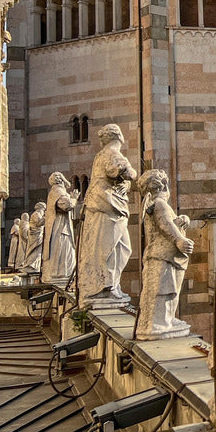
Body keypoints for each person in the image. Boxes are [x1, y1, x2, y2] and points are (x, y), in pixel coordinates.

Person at [133, 169, 194, 340]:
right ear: (164, 185)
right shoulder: (160, 204)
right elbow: (165, 224)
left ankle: (164, 320)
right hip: (164, 255)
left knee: (166, 289)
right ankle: (157, 325)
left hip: (162, 255)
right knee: (163, 289)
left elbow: (170, 222)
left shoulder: (154, 204)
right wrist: (179, 240)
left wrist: (183, 220)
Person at [79, 124, 137, 304]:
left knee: (118, 248)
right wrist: (132, 174)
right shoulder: (113, 153)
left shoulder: (101, 154)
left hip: (105, 205)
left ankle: (109, 285)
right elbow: (123, 172)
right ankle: (104, 287)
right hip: (107, 206)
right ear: (119, 136)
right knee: (111, 248)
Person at [41, 171, 77, 286]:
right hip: (60, 227)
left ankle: (62, 273)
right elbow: (66, 205)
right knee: (63, 248)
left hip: (60, 226)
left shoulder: (55, 191)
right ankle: (61, 273)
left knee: (63, 249)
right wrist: (74, 198)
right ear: (61, 180)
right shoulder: (58, 191)